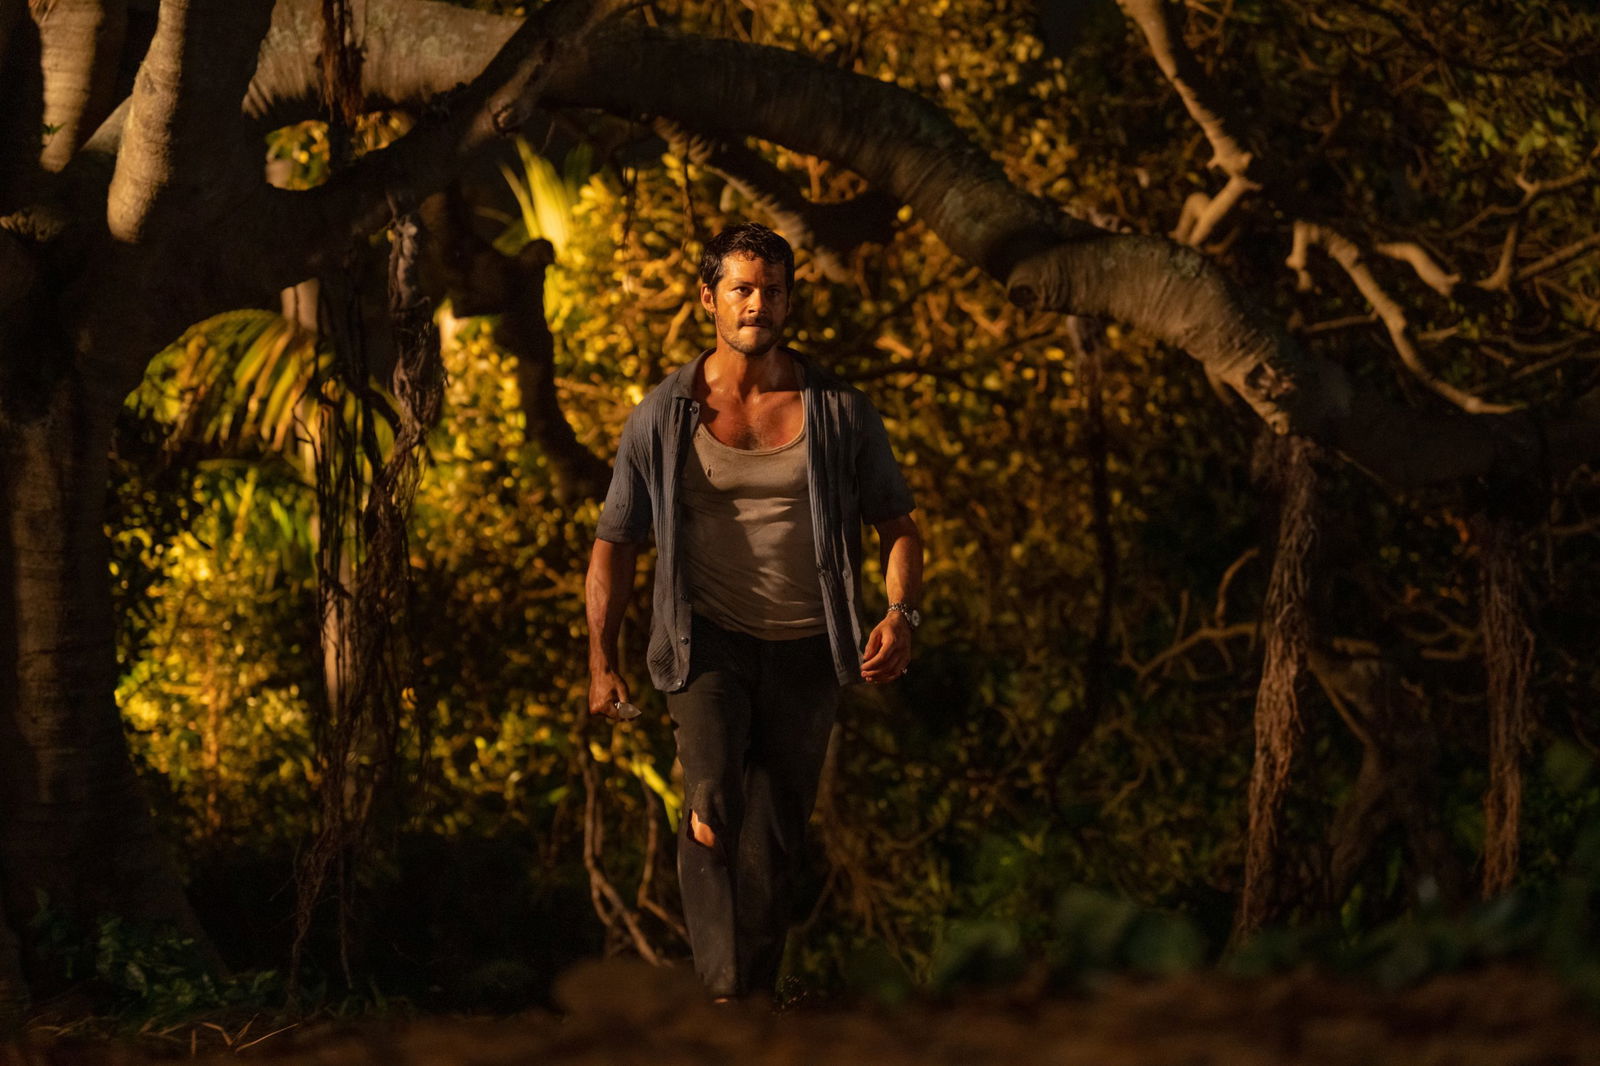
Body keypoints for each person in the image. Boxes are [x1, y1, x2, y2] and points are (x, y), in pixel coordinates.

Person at [584, 222, 923, 1001]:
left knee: (773, 838)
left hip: (809, 647)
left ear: (788, 300)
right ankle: (721, 993)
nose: (757, 304)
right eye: (741, 288)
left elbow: (898, 526)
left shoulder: (838, 411)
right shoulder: (663, 415)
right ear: (709, 298)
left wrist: (900, 614)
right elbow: (615, 542)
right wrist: (600, 660)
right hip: (706, 640)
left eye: (772, 290)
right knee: (711, 800)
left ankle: (753, 1003)